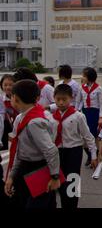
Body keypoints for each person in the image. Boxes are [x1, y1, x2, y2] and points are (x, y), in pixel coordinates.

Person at [4, 80, 60, 209]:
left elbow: (51, 150)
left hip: (38, 169)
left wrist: (55, 176)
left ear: (15, 98)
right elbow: (19, 150)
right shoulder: (21, 118)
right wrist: (12, 176)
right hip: (24, 167)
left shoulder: (34, 122)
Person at [52, 84, 97, 209]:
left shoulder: (78, 116)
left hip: (74, 152)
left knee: (72, 180)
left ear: (71, 98)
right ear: (54, 98)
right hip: (56, 152)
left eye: (64, 99)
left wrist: (93, 155)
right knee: (58, 181)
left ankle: (72, 205)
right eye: (58, 99)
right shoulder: (50, 117)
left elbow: (88, 137)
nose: (61, 102)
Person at [77, 67, 102, 166]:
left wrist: (101, 117)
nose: (82, 77)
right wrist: (76, 112)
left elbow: (101, 104)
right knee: (84, 137)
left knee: (95, 137)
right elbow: (79, 101)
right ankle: (90, 155)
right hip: (85, 113)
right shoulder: (81, 88)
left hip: (95, 114)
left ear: (90, 77)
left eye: (84, 76)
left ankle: (97, 155)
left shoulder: (98, 88)